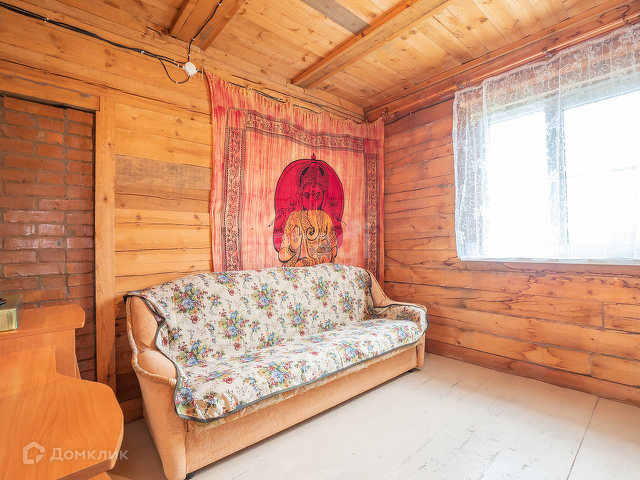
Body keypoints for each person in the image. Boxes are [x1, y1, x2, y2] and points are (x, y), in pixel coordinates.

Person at [278, 162, 338, 266]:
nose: (312, 202)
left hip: (320, 268)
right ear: (301, 196)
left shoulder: (326, 219)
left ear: (324, 197)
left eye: (317, 196)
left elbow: (333, 251)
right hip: (297, 269)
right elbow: (281, 256)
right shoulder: (294, 218)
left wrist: (325, 250)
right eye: (307, 196)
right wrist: (292, 248)